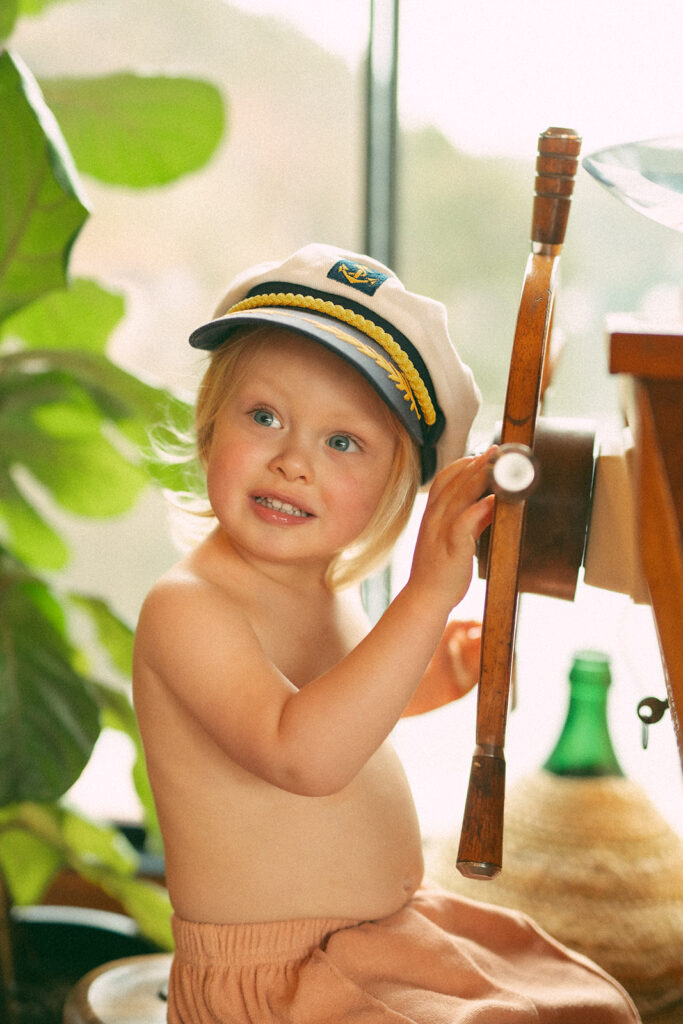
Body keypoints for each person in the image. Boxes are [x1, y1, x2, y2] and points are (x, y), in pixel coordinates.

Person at [133, 244, 640, 1023]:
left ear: (393, 493)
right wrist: (427, 594)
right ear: (208, 431)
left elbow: (346, 713)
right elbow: (303, 753)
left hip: (380, 939)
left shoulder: (321, 588)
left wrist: (430, 673)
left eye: (342, 443)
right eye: (263, 417)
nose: (292, 460)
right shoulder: (189, 607)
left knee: (585, 1003)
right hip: (280, 981)